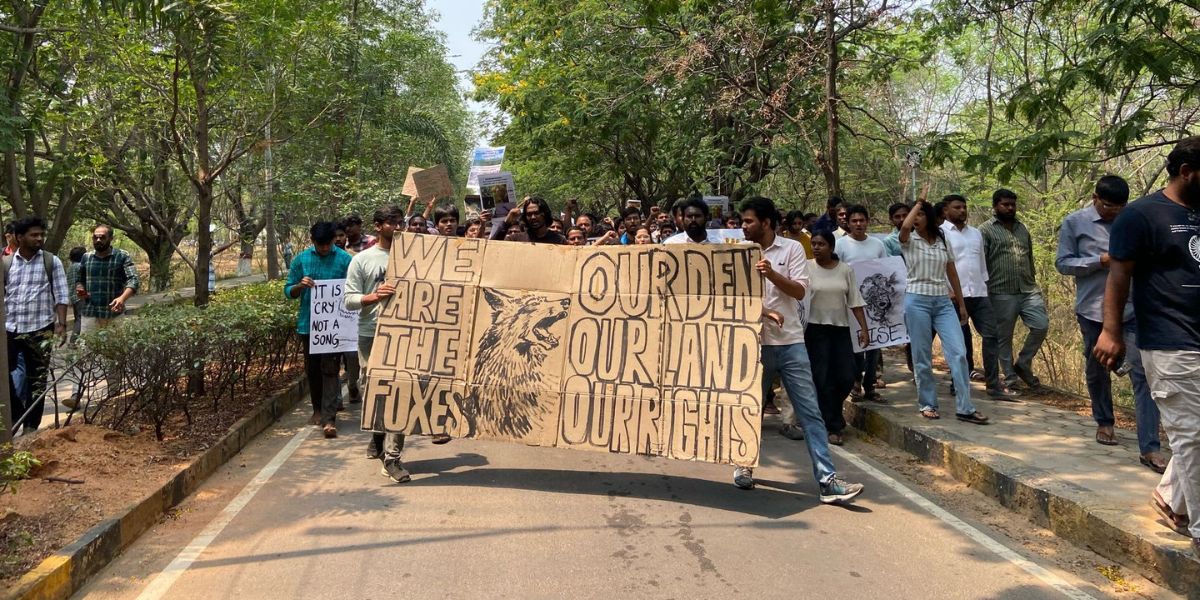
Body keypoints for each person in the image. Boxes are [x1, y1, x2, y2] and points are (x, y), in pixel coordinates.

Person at [1094, 137, 1200, 557]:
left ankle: (1171, 498)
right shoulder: (1141, 214)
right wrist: (1111, 331)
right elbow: (1118, 277)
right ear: (1187, 171)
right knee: (1192, 437)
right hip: (1170, 341)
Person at [734, 196, 864, 502]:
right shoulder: (737, 252)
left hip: (791, 343)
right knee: (749, 410)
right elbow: (733, 298)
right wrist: (765, 313)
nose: (744, 226)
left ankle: (827, 480)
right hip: (752, 345)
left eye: (749, 221)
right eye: (742, 221)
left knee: (810, 412)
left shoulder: (792, 249)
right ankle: (743, 465)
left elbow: (799, 290)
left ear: (766, 223)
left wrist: (771, 273)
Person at [1057, 175, 1165, 470]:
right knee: (1098, 368)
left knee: (1143, 373)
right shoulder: (1074, 222)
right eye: (1107, 206)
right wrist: (1098, 261)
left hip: (1134, 309)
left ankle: (1150, 446)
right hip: (1093, 310)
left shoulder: (1133, 220)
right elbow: (1063, 263)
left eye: (1119, 206)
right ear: (1095, 198)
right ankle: (1104, 421)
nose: (1114, 212)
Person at [900, 199, 988, 424]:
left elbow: (952, 272)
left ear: (928, 217)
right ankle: (928, 403)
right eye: (914, 215)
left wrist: (960, 304)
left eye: (920, 214)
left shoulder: (942, 238)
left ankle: (965, 407)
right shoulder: (909, 240)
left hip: (942, 301)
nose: (914, 218)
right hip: (917, 300)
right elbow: (904, 227)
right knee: (922, 356)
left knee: (959, 353)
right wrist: (918, 203)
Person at [344, 206, 411, 481]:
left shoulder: (414, 256)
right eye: (393, 223)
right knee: (375, 392)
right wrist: (374, 296)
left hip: (407, 334)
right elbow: (349, 300)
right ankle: (378, 436)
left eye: (401, 222)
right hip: (371, 335)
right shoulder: (362, 260)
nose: (398, 227)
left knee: (401, 393)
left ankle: (392, 458)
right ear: (379, 226)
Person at [285, 221, 353, 439]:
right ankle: (317, 409)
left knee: (330, 368)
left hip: (336, 325)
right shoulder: (301, 260)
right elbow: (288, 291)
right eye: (320, 244)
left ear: (335, 240)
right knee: (313, 369)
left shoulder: (345, 259)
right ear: (312, 241)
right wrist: (299, 286)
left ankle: (328, 417)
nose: (324, 248)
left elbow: (354, 287)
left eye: (328, 244)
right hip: (309, 325)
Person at [941, 195, 1014, 399]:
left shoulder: (975, 234)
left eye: (964, 207)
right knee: (960, 342)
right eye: (957, 207)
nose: (962, 211)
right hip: (955, 296)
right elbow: (940, 265)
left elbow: (982, 263)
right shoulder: (940, 233)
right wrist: (947, 291)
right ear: (946, 211)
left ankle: (993, 384)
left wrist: (986, 286)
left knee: (991, 336)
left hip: (980, 294)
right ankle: (959, 382)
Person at [4, 217, 68, 434]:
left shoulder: (51, 262)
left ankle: (31, 426)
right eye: (34, 235)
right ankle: (16, 414)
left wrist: (61, 324)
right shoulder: (7, 263)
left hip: (41, 329)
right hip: (11, 329)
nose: (39, 238)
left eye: (41, 234)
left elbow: (61, 294)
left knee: (37, 379)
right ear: (19, 237)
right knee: (6, 377)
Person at [805, 230, 870, 445]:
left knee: (846, 376)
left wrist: (864, 328)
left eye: (821, 244)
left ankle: (832, 415)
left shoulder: (845, 270)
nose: (816, 247)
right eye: (813, 243)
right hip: (815, 330)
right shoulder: (806, 268)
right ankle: (833, 424)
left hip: (840, 329)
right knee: (822, 378)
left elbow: (855, 301)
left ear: (831, 248)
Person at [981, 189, 1049, 390]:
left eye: (1013, 204)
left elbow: (1029, 256)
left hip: (1027, 289)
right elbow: (981, 262)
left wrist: (1034, 280)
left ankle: (1023, 363)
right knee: (1004, 336)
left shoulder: (1022, 228)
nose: (1010, 208)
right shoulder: (985, 230)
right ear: (995, 206)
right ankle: (1010, 379)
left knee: (1041, 325)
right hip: (1000, 291)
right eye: (1005, 204)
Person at [835, 205, 888, 403]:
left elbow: (885, 271)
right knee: (855, 347)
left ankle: (870, 386)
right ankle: (855, 384)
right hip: (849, 304)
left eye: (862, 220)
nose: (858, 224)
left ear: (867, 222)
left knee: (874, 347)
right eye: (854, 221)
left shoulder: (877, 245)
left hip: (873, 305)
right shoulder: (840, 245)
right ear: (847, 223)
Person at [76, 225, 140, 334]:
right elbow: (79, 280)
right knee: (87, 349)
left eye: (102, 237)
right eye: (95, 238)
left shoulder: (121, 256)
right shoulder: (86, 257)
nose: (98, 240)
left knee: (115, 349)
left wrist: (122, 299)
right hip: (90, 313)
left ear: (111, 238)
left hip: (114, 313)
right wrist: (80, 289)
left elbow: (133, 280)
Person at [492, 197, 567, 244]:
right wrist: (507, 222)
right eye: (529, 214)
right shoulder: (515, 239)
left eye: (537, 213)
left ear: (545, 213)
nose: (533, 217)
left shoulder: (559, 240)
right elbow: (492, 247)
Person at [66, 246, 86, 340]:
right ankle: (73, 342)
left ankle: (76, 341)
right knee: (81, 319)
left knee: (77, 319)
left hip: (73, 297)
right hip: (81, 297)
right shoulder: (80, 267)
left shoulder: (70, 268)